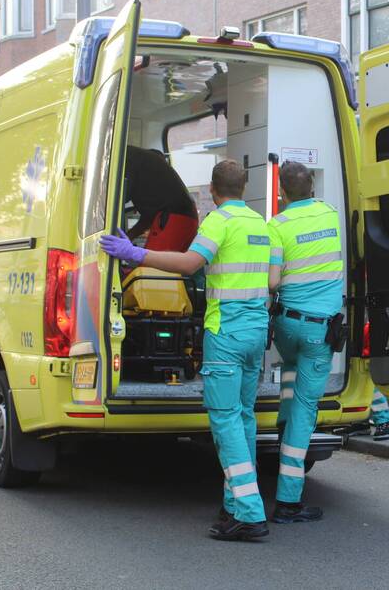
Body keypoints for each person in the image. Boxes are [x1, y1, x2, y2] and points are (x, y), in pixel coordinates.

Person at [101, 160, 273, 541]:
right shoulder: (261, 224)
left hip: (225, 332)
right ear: (244, 188)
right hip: (256, 332)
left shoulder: (219, 221)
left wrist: (136, 254)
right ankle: (234, 505)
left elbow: (189, 263)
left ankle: (248, 511)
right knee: (243, 418)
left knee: (225, 420)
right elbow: (274, 279)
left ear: (213, 190)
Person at [266, 161, 345, 524]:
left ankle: (283, 421)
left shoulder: (275, 226)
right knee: (305, 411)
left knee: (290, 370)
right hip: (318, 331)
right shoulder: (329, 215)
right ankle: (288, 500)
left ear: (282, 191)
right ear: (311, 185)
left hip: (286, 326)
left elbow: (272, 281)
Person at [124, 146, 199, 252]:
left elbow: (118, 199)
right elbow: (149, 217)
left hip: (174, 220)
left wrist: (127, 237)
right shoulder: (142, 162)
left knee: (152, 267)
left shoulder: (125, 158)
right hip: (186, 219)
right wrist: (128, 237)